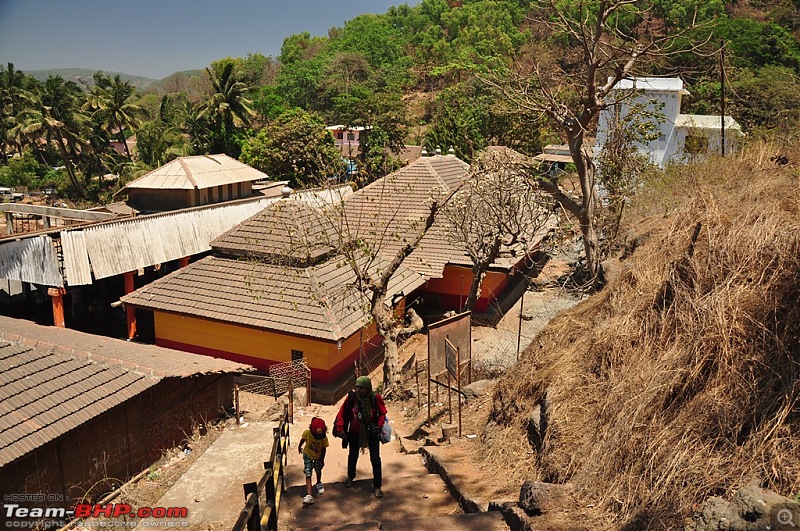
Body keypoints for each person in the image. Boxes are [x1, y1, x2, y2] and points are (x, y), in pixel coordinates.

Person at [333, 376, 387, 498]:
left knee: (375, 458)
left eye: (361, 388)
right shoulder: (352, 398)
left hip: (371, 433)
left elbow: (382, 413)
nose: (358, 390)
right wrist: (340, 428)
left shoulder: (375, 398)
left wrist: (378, 426)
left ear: (368, 388)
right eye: (357, 387)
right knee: (352, 456)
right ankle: (350, 477)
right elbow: (342, 413)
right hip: (354, 432)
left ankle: (377, 485)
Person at [298, 417, 329, 504]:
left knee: (318, 470)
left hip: (318, 457)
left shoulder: (324, 438)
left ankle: (318, 482)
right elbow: (303, 440)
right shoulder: (307, 433)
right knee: (308, 472)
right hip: (308, 455)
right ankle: (309, 495)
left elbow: (324, 449)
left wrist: (322, 460)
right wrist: (299, 446)